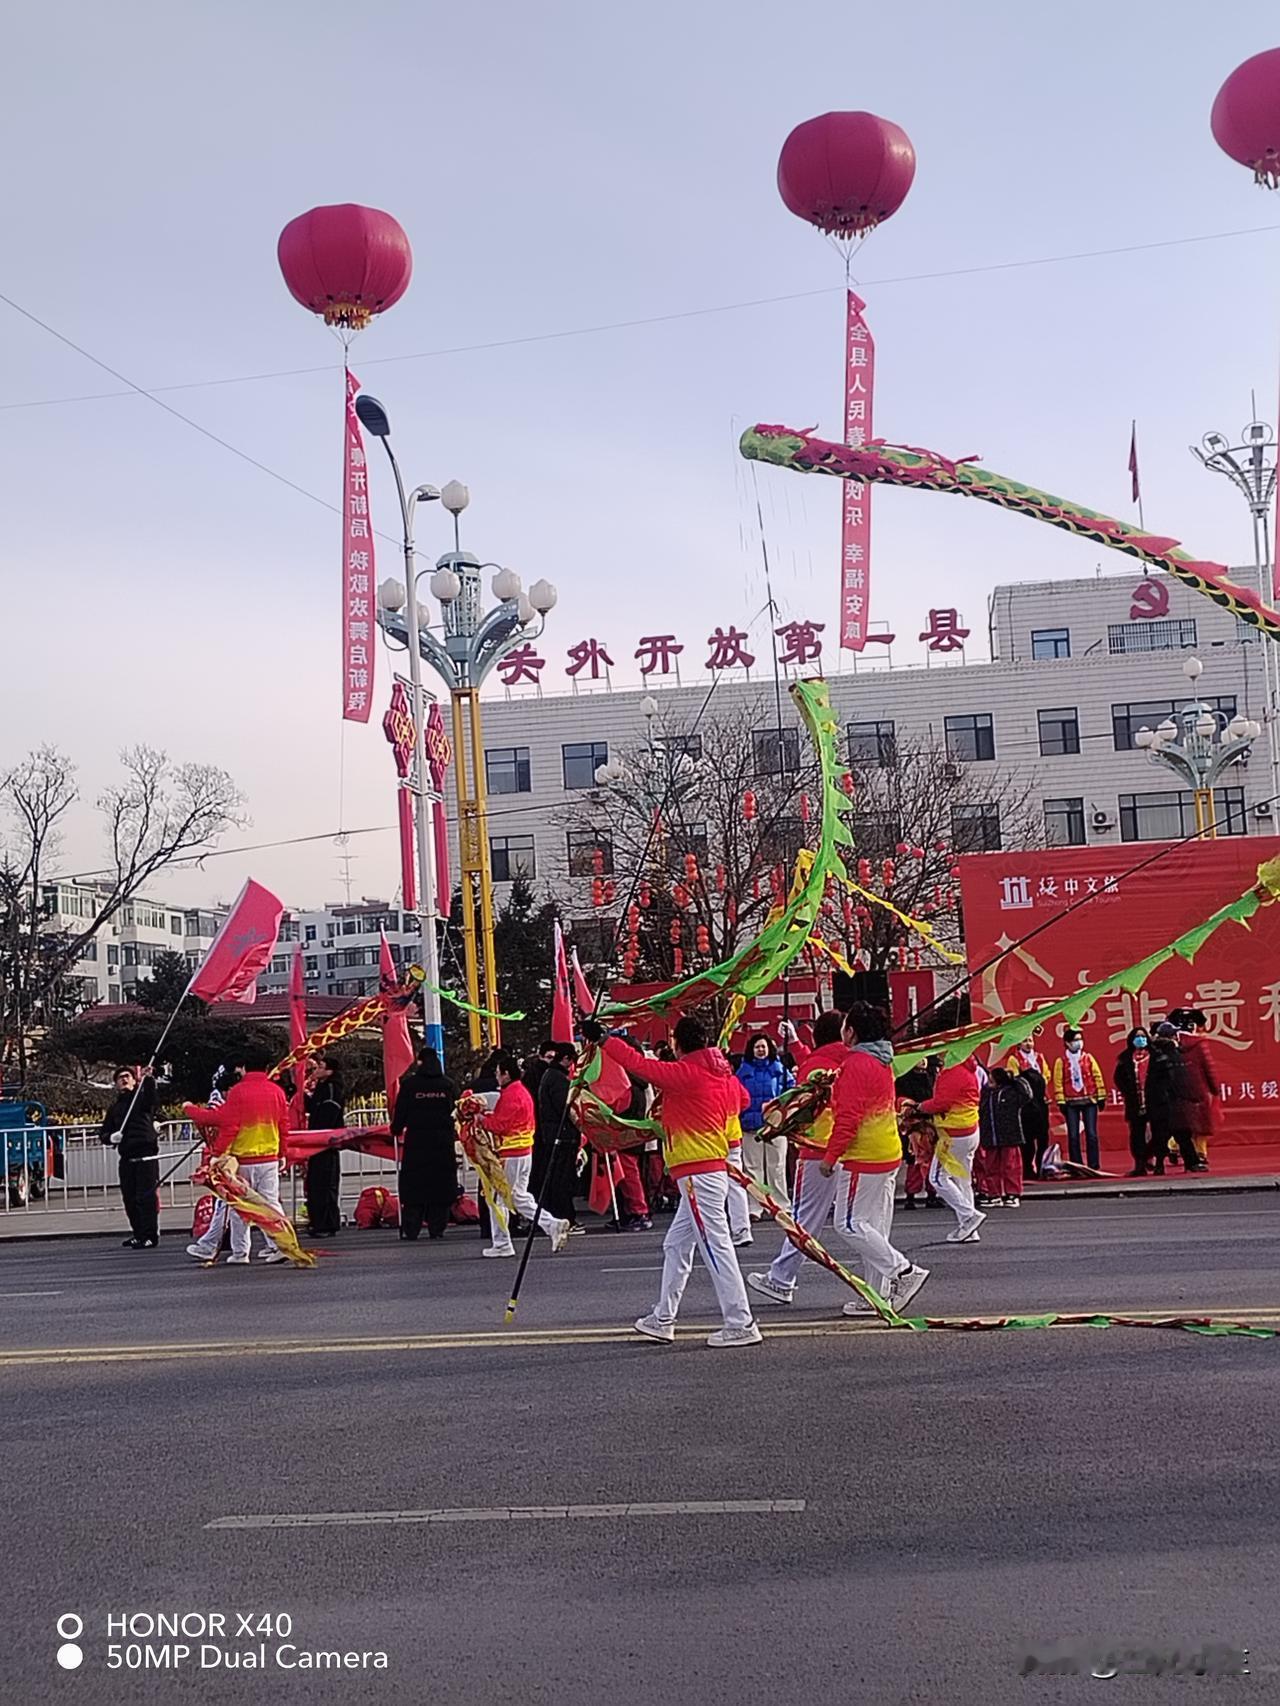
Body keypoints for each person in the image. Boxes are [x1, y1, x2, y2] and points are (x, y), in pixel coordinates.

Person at [591, 1015, 761, 1348]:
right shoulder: (721, 1074)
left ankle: (741, 1321)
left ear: (677, 1044)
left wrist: (603, 1039)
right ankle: (663, 1317)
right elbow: (742, 1100)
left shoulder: (685, 1074)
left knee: (716, 1246)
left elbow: (636, 1064)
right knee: (676, 1245)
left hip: (698, 1172)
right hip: (706, 1170)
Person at [747, 1009, 858, 1309]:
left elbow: (805, 1091)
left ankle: (782, 1278)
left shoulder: (816, 1063)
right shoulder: (851, 1059)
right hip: (855, 1148)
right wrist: (796, 1044)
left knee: (806, 1219)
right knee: (857, 1221)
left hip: (817, 1149)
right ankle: (884, 1279)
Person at [821, 1003, 929, 1312]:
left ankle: (904, 1271)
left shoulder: (855, 1064)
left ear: (851, 1032)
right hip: (887, 1151)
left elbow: (847, 1119)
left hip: (864, 1155)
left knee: (849, 1224)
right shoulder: (882, 1061)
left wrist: (830, 1157)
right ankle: (877, 1295)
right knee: (873, 1228)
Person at [182, 1046, 291, 1265]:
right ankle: (282, 1245)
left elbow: (226, 1123)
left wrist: (190, 1109)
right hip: (269, 1157)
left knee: (238, 1206)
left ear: (243, 1068)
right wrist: (282, 1153)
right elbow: (283, 1125)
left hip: (242, 1160)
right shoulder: (277, 1091)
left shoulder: (239, 1092)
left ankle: (240, 1253)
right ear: (268, 1067)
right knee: (270, 1204)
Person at [481, 1051, 570, 1257]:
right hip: (523, 1151)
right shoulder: (520, 1091)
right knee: (518, 1197)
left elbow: (500, 1125)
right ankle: (551, 1224)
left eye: (498, 1073)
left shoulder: (511, 1095)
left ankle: (502, 1243)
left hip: (511, 1153)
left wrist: (481, 1118)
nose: (496, 1076)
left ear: (505, 1074)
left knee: (498, 1198)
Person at [392, 1046, 460, 1240]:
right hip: (442, 1144)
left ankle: (411, 1229)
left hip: (417, 1143)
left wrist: (396, 1129)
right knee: (441, 1186)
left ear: (420, 1062)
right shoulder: (448, 1085)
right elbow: (458, 1111)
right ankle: (437, 1228)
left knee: (415, 1187)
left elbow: (401, 1112)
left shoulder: (410, 1085)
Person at [919, 1054, 985, 1243]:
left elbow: (941, 1103)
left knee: (937, 1178)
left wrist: (921, 1107)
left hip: (954, 1133)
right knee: (962, 1178)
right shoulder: (968, 1068)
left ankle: (969, 1215)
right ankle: (969, 1229)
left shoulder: (952, 1072)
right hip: (969, 1129)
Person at [99, 1064, 161, 1248]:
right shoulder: (115, 1108)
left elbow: (152, 1100)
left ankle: (150, 1235)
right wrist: (111, 1137)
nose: (124, 1080)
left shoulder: (141, 1099)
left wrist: (149, 1080)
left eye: (127, 1076)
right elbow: (103, 1133)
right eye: (120, 1078)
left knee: (146, 1197)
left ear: (134, 1080)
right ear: (116, 1084)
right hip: (127, 1157)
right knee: (130, 1198)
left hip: (145, 1154)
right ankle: (138, 1233)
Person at [736, 1033, 790, 1214]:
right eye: (757, 1047)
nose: (760, 1050)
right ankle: (755, 1206)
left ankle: (781, 1204)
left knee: (777, 1166)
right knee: (753, 1168)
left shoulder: (780, 1070)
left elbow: (791, 1091)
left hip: (775, 1126)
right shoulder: (742, 1072)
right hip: (751, 1126)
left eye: (763, 1047)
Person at [533, 1042, 582, 1230]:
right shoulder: (559, 1080)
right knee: (562, 1180)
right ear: (566, 1059)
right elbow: (566, 1109)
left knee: (554, 1178)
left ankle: (559, 1216)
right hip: (562, 1136)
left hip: (550, 1134)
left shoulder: (548, 1076)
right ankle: (566, 1217)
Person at [1146, 1023, 1203, 1173]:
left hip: (1160, 1102)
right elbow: (1180, 1078)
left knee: (1163, 1135)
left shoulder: (1154, 1052)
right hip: (1173, 1100)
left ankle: (1159, 1165)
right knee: (1181, 1133)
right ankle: (1191, 1163)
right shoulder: (1171, 1052)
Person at [1170, 1008, 1220, 1168]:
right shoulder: (1200, 1045)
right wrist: (1215, 1088)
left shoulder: (1172, 1044)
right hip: (1199, 1089)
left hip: (1178, 1089)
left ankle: (1173, 1146)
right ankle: (1201, 1154)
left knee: (1183, 1123)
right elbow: (1208, 1067)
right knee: (1202, 1124)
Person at [1051, 1028, 1106, 1172]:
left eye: (1080, 1039)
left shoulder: (1088, 1058)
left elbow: (1097, 1076)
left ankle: (1093, 1164)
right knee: (1073, 1136)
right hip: (1071, 1102)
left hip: (1089, 1100)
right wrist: (1061, 1100)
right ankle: (1077, 1165)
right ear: (1067, 1043)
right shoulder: (1061, 1061)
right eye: (1075, 1040)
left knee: (1092, 1134)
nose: (1079, 1043)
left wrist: (1101, 1096)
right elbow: (1058, 1081)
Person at [303, 1057, 344, 1236]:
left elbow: (330, 1112)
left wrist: (322, 1133)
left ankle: (327, 1224)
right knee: (316, 1183)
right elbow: (312, 1107)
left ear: (330, 1071)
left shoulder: (332, 1088)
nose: (316, 1070)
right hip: (318, 1140)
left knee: (325, 1184)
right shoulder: (322, 1087)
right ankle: (318, 1221)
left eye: (320, 1067)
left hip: (326, 1142)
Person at [979, 1067, 1031, 1207]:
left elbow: (1027, 1094)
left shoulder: (1011, 1092)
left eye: (992, 1077)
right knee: (990, 1167)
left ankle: (1012, 1194)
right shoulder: (986, 1093)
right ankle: (994, 1194)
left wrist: (1015, 1079)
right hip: (990, 1135)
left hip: (1010, 1136)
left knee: (1011, 1167)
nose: (989, 1080)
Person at [1113, 1028, 1153, 1176]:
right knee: (1136, 1135)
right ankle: (1140, 1164)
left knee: (1158, 1133)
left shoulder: (1155, 1056)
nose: (1140, 1039)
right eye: (1137, 1037)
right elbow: (1118, 1078)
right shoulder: (1125, 1059)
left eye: (1143, 1036)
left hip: (1153, 1101)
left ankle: (1153, 1158)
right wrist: (1128, 1092)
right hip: (1134, 1103)